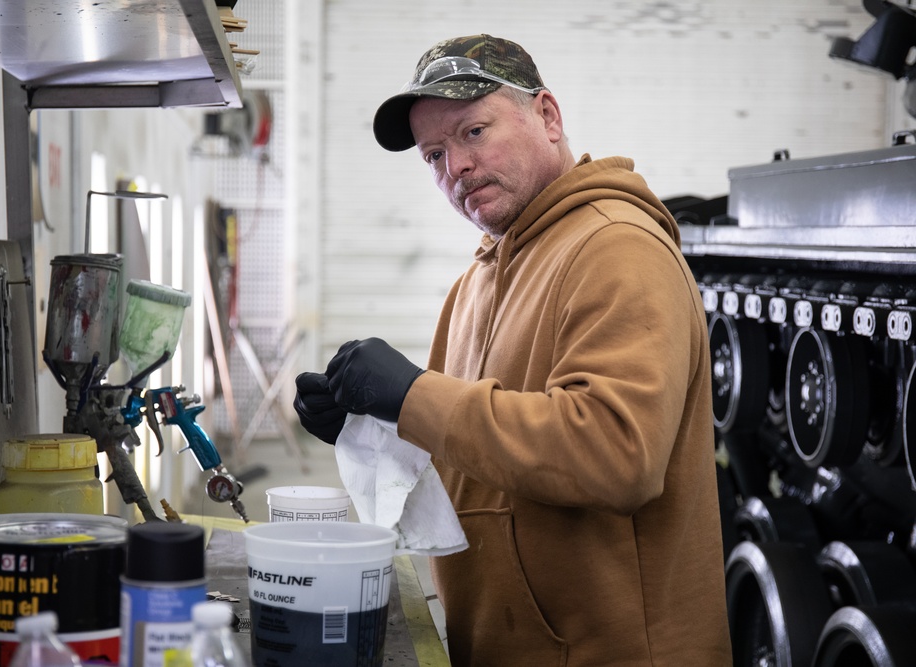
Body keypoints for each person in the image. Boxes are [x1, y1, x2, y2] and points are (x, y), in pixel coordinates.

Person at [294, 34, 732, 666]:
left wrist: (414, 393)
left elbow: (616, 454)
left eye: (474, 131)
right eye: (434, 154)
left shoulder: (616, 248)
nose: (456, 168)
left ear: (546, 116)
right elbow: (476, 457)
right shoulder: (477, 280)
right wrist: (371, 424)